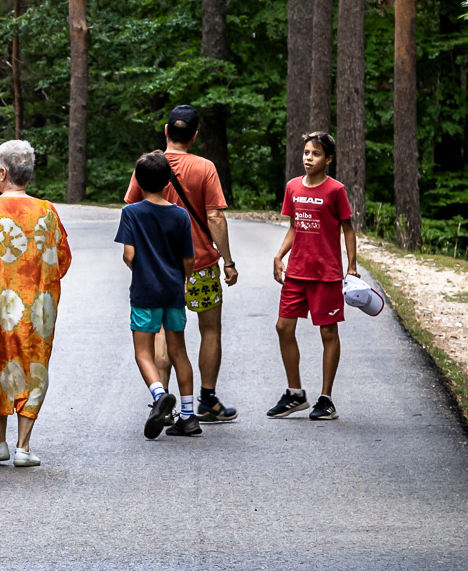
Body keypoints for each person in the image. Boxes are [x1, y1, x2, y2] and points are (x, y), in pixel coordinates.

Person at [122, 105, 241, 422]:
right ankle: (207, 400)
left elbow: (133, 207)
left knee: (162, 333)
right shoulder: (205, 168)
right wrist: (228, 261)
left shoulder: (148, 164)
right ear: (195, 135)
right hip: (199, 265)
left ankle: (164, 404)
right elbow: (215, 216)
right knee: (210, 330)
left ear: (166, 131)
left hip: (158, 268)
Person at [0, 139, 68, 467]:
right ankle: (24, 446)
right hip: (38, 307)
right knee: (33, 364)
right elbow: (62, 260)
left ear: (1, 173)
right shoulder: (46, 211)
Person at [268, 131, 359, 421]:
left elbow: (348, 229)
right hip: (297, 272)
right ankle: (295, 393)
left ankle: (326, 399)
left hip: (326, 274)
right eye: (306, 152)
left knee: (328, 332)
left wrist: (352, 266)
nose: (309, 158)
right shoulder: (293, 186)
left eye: (315, 154)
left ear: (328, 159)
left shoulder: (335, 190)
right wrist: (279, 256)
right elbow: (295, 226)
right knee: (283, 327)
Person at [117, 151, 202, 439]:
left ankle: (160, 394)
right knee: (179, 351)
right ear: (168, 182)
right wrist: (184, 278)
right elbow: (188, 260)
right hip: (173, 292)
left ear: (138, 182)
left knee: (144, 352)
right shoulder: (180, 215)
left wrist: (138, 268)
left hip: (145, 292)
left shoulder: (131, 213)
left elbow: (129, 254)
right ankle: (189, 417)